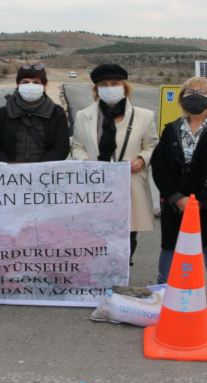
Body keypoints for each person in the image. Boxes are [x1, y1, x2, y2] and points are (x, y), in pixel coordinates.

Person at [150, 76, 207, 314]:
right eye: (189, 93)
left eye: (201, 93)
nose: (195, 97)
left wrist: (204, 198)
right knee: (170, 246)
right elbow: (159, 166)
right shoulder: (171, 130)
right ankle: (163, 289)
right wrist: (176, 196)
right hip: (177, 201)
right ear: (182, 99)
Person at [70, 64, 158, 265]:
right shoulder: (84, 116)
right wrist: (85, 161)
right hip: (96, 186)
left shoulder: (144, 116)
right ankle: (99, 271)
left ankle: (122, 270)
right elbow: (77, 146)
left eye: (115, 83)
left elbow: (152, 146)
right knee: (96, 232)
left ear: (124, 87)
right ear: (97, 89)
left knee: (127, 233)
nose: (109, 88)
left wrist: (142, 160)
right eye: (104, 84)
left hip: (129, 185)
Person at [0, 63, 69, 162]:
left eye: (36, 82)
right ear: (18, 84)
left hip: (44, 170)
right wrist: (10, 166)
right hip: (10, 170)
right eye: (25, 82)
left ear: (44, 85)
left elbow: (61, 149)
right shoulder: (3, 113)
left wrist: (37, 167)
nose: (31, 86)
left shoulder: (56, 113)